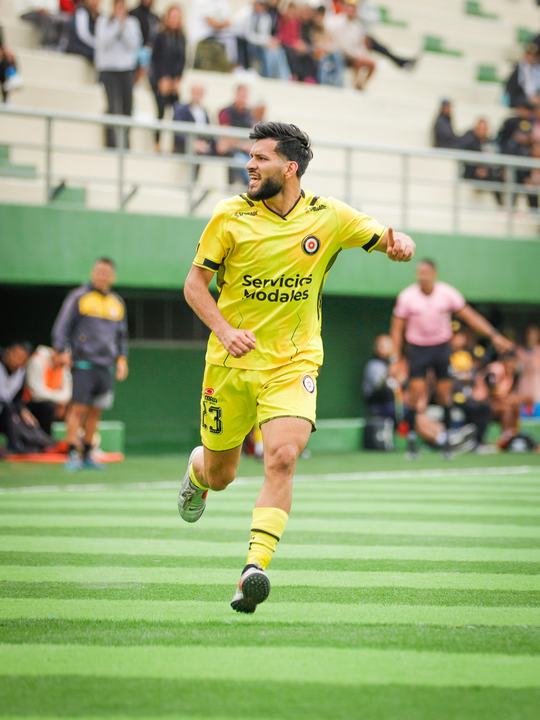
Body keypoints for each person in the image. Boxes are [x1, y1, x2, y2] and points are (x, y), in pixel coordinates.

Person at [179, 121, 415, 614]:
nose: (249, 165)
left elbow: (384, 235)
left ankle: (253, 569)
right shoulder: (228, 215)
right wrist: (225, 330)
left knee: (283, 456)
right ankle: (197, 474)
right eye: (250, 156)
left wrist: (401, 245)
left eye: (260, 158)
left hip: (293, 362)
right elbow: (194, 286)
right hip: (230, 363)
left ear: (290, 168)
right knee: (221, 475)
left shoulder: (329, 216)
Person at [390, 258, 513, 458]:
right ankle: (412, 443)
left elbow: (470, 317)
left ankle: (447, 443)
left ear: (434, 274)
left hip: (440, 348)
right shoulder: (407, 297)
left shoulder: (447, 294)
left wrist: (494, 336)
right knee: (415, 393)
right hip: (417, 348)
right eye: (420, 273)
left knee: (444, 394)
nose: (423, 276)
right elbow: (397, 329)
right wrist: (395, 359)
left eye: (426, 273)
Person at [52, 257, 128, 470]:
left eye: (106, 273)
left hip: (106, 366)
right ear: (93, 273)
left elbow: (121, 336)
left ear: (113, 277)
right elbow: (62, 326)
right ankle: (72, 453)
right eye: (99, 272)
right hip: (83, 363)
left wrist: (121, 360)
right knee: (78, 409)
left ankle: (87, 454)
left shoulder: (117, 303)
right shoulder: (78, 297)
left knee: (96, 411)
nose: (102, 276)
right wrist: (61, 351)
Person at [95, 0, 142, 149]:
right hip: (109, 70)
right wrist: (116, 25)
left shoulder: (132, 23)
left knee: (128, 107)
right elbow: (103, 42)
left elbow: (134, 44)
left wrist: (123, 26)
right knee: (113, 106)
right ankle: (112, 144)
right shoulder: (103, 21)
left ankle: (125, 142)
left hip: (126, 70)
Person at [149, 4, 186, 151]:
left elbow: (182, 60)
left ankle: (176, 144)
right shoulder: (160, 36)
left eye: (177, 17)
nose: (174, 20)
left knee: (177, 112)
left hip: (174, 81)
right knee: (160, 111)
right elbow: (155, 60)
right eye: (172, 16)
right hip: (160, 80)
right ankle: (157, 143)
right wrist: (161, 79)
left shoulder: (181, 37)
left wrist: (177, 79)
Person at [325, 0, 376, 90]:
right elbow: (336, 42)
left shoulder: (358, 27)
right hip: (339, 52)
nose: (351, 11)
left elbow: (360, 45)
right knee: (358, 61)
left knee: (371, 64)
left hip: (353, 54)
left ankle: (361, 84)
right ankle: (354, 82)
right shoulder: (336, 22)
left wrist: (363, 55)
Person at [25, 345, 72, 435]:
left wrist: (60, 402)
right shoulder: (37, 361)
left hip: (56, 404)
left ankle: (73, 438)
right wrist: (59, 400)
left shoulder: (64, 365)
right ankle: (46, 438)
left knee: (76, 405)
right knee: (48, 406)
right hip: (29, 405)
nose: (63, 365)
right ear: (55, 353)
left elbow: (67, 394)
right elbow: (36, 394)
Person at [0, 342, 37, 453]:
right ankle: (15, 445)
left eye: (22, 358)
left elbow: (17, 398)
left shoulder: (21, 372)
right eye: (16, 355)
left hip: (7, 412)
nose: (18, 360)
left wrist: (22, 410)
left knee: (25, 416)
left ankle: (41, 443)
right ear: (8, 352)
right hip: (6, 409)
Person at [244, 1, 291, 81]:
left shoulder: (266, 17)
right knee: (269, 52)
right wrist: (265, 41)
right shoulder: (248, 15)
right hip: (251, 44)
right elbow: (248, 36)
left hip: (263, 43)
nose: (261, 7)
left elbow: (266, 34)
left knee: (278, 51)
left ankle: (284, 77)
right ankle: (268, 75)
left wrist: (271, 41)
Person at [217, 84, 253, 185]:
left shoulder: (248, 114)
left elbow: (252, 135)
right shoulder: (226, 112)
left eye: (245, 96)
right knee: (242, 161)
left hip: (245, 152)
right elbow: (225, 137)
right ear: (236, 94)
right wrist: (242, 145)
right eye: (241, 95)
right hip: (231, 152)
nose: (243, 98)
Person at [518, 324, 540, 411]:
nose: (531, 337)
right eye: (529, 334)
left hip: (537, 390)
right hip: (523, 389)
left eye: (533, 334)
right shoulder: (520, 351)